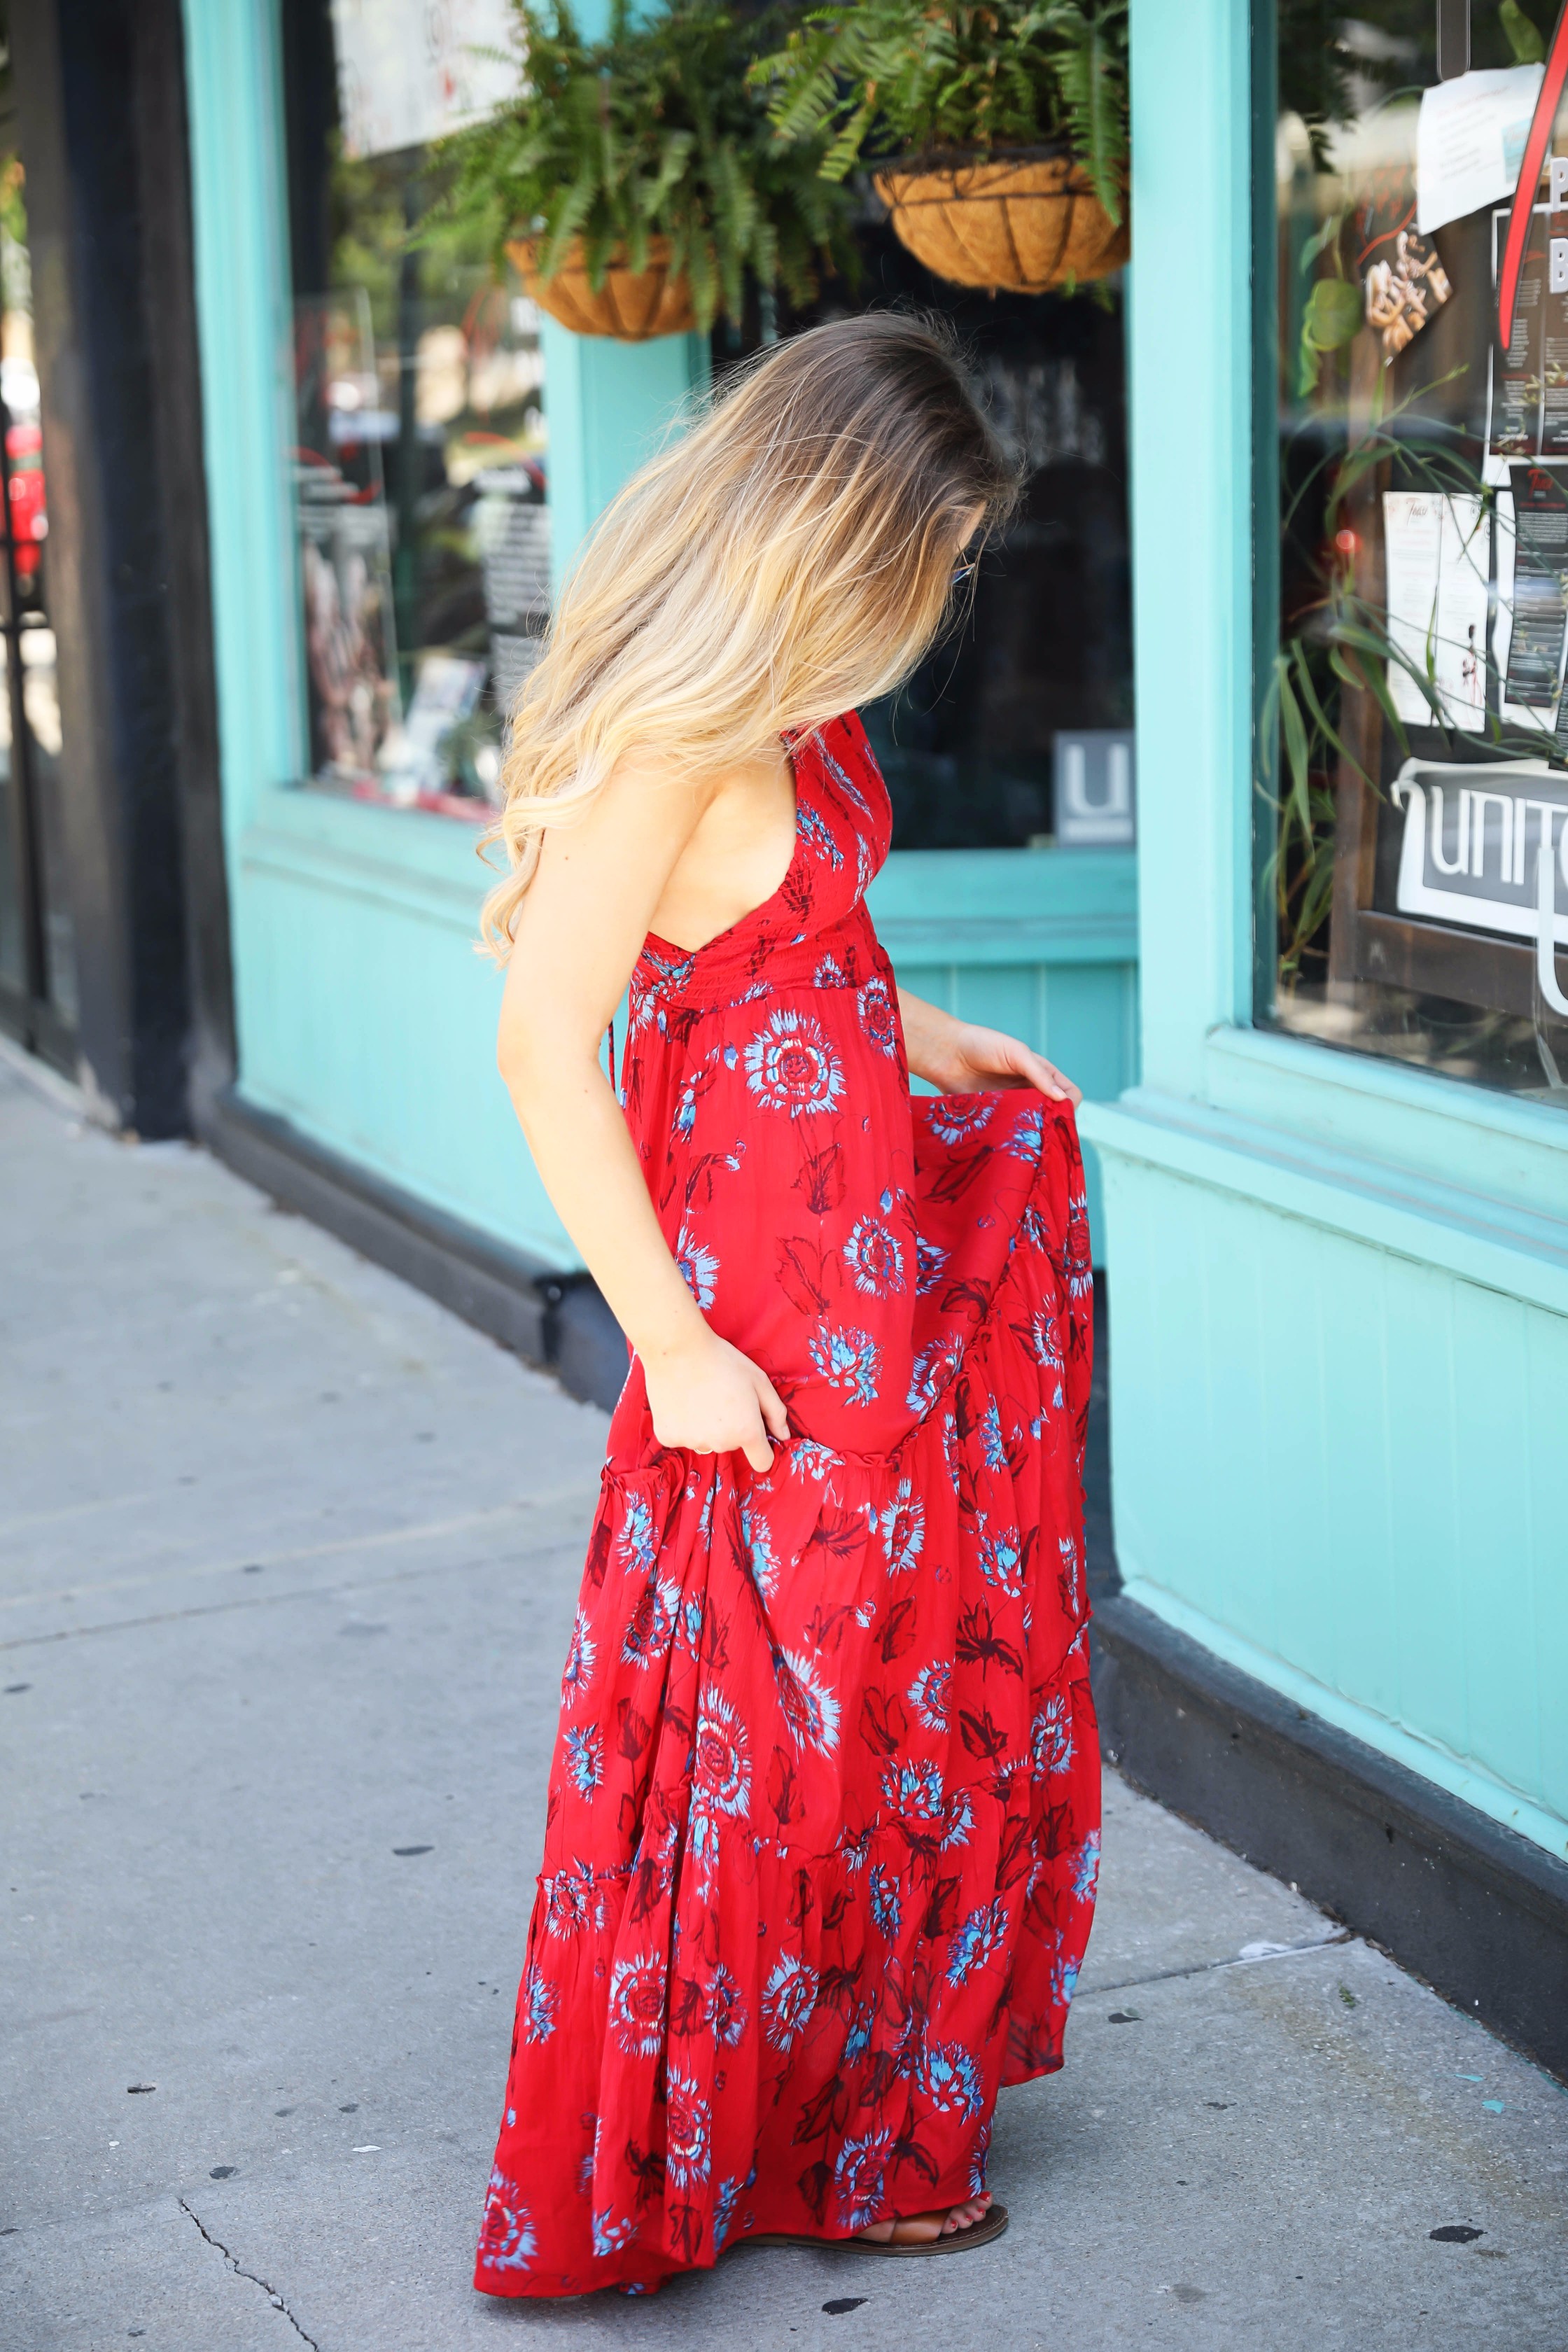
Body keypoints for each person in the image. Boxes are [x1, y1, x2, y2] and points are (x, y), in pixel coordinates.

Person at [472, 312, 1100, 2300]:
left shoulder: (788, 717)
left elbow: (792, 967)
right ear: (837, 531)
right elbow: (543, 1046)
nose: (943, 597)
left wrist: (938, 1040)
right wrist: (668, 1343)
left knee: (883, 1683)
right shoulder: (667, 740)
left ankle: (848, 2102)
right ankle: (796, 2136)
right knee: (790, 1707)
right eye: (932, 556)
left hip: (868, 1269)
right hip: (758, 1308)